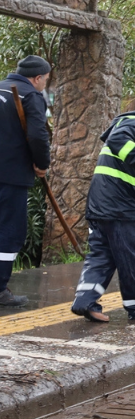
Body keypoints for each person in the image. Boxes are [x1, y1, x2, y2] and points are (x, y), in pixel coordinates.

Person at [71, 99, 135, 322]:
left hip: (102, 206)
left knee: (102, 256)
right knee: (130, 258)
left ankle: (85, 301)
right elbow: (117, 139)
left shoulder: (134, 128)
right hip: (122, 208)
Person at [0, 56, 52, 307]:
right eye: (46, 80)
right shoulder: (30, 96)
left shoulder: (1, 88)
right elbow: (38, 135)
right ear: (38, 77)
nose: (44, 85)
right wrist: (42, 164)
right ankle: (0, 288)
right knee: (9, 231)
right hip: (11, 175)